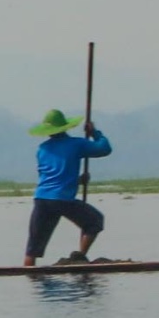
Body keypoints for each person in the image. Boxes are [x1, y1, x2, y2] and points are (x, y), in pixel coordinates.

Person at [23, 108, 113, 267]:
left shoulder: (42, 149)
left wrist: (77, 181)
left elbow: (50, 177)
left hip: (42, 199)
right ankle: (79, 258)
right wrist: (94, 132)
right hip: (62, 199)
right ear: (64, 127)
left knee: (33, 248)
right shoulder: (76, 144)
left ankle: (29, 277)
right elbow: (104, 148)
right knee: (95, 221)